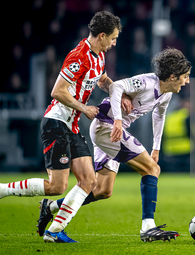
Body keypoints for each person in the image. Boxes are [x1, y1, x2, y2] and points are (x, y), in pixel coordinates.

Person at [38, 48, 192, 242]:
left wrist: (156, 148)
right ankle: (148, 227)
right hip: (107, 127)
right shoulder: (147, 82)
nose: (186, 81)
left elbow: (159, 115)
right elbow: (117, 86)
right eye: (185, 77)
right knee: (152, 169)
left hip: (110, 130)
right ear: (172, 76)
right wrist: (118, 120)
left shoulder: (166, 94)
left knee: (103, 190)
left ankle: (50, 206)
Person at [0, 11, 123, 243]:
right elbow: (57, 91)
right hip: (56, 122)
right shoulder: (79, 56)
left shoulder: (99, 57)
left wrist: (119, 93)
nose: (114, 43)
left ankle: (54, 231)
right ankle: (2, 190)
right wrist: (84, 108)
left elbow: (102, 79)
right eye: (113, 38)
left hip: (72, 126)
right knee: (57, 186)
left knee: (89, 181)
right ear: (102, 35)